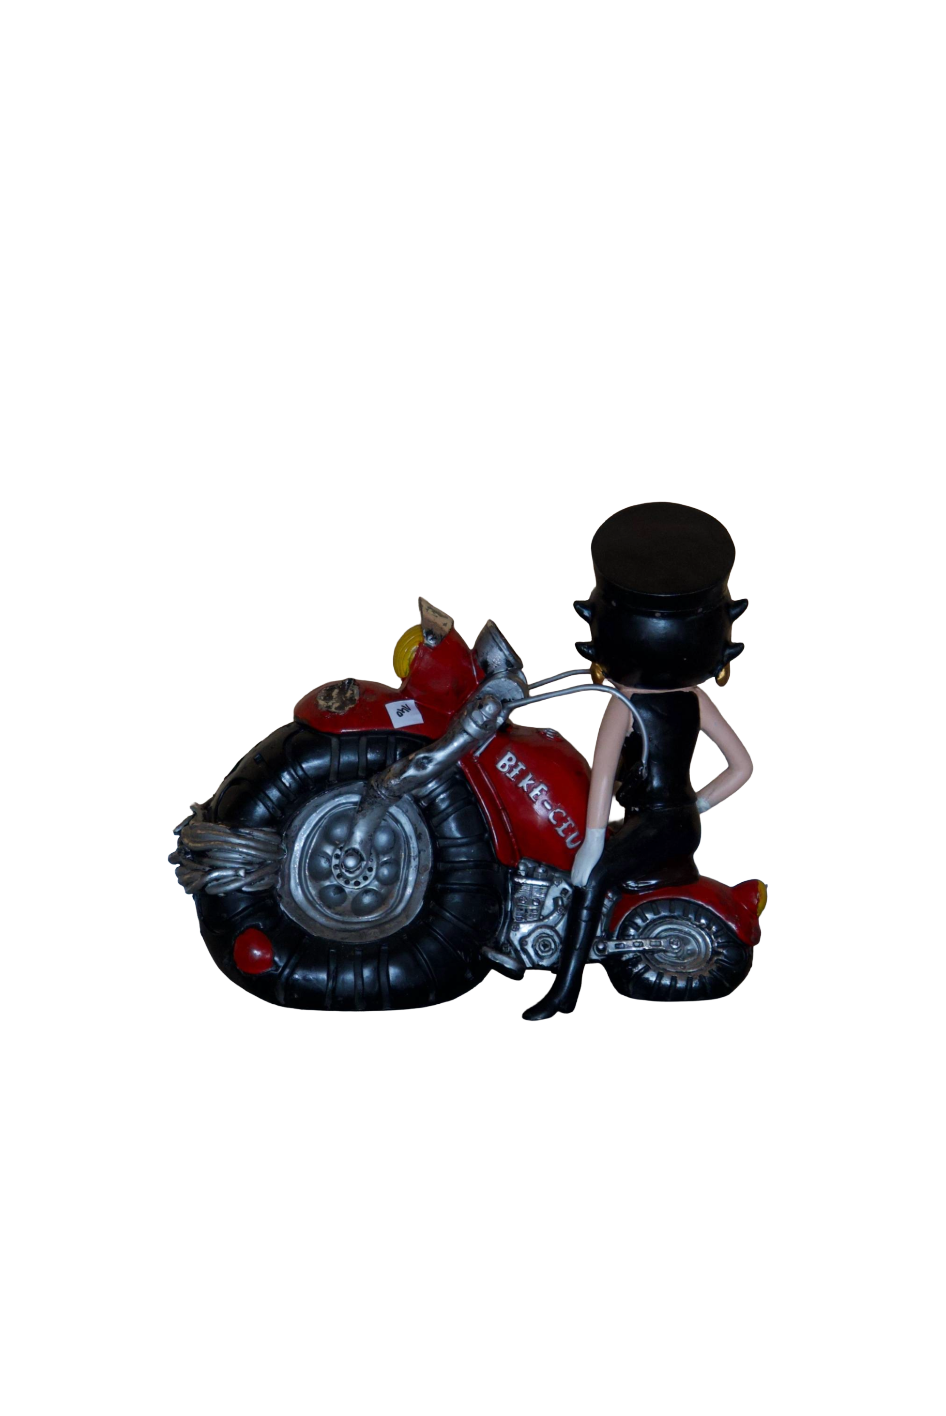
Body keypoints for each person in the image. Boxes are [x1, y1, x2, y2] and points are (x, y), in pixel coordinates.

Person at [522, 502, 753, 1022]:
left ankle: (565, 991)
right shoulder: (696, 698)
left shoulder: (623, 702)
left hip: (650, 824)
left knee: (590, 882)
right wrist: (697, 804)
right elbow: (742, 768)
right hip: (679, 825)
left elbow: (603, 776)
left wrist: (593, 844)